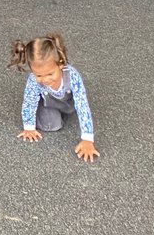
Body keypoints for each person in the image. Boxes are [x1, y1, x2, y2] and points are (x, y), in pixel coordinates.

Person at [10, 32, 98, 162]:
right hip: (49, 103)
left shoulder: (72, 75)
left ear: (61, 64)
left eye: (50, 74)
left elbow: (82, 105)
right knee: (53, 125)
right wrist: (29, 127)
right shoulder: (33, 80)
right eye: (39, 75)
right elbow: (29, 101)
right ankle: (42, 113)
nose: (45, 79)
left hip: (68, 103)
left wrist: (87, 139)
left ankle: (63, 112)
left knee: (74, 109)